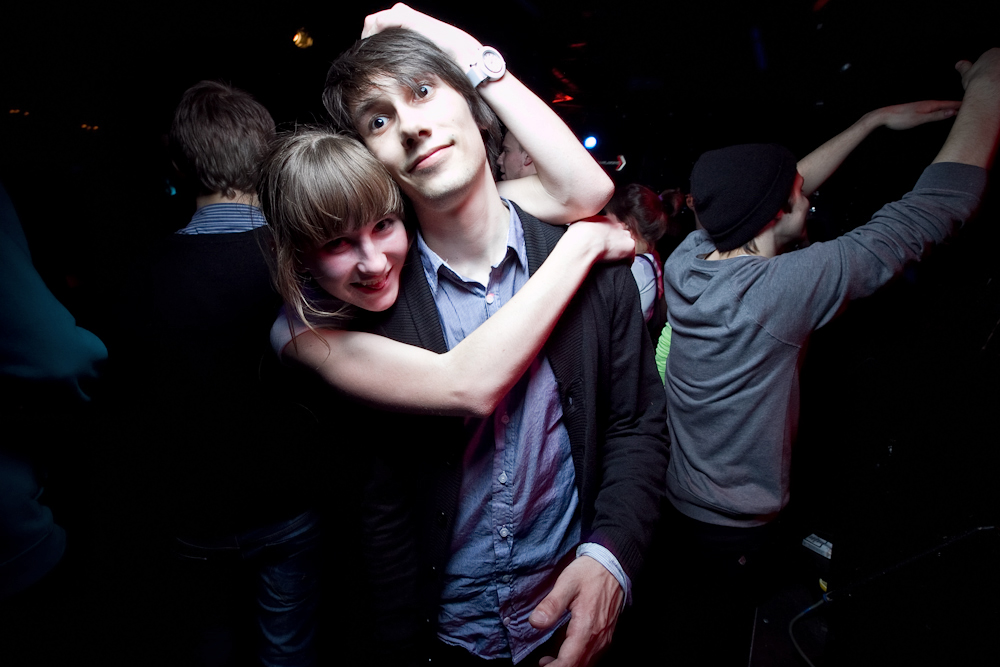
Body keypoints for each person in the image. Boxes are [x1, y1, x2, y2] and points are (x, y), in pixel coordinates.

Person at [315, 6, 670, 666]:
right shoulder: (367, 307)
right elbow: (373, 501)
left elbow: (635, 425)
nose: (410, 126)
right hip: (440, 638)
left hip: (563, 615)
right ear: (369, 158)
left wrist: (609, 557)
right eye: (378, 120)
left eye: (424, 90)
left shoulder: (593, 263)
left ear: (476, 107)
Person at [660, 50, 999, 664]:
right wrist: (988, 87)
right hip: (736, 529)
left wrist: (872, 121)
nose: (807, 193)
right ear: (776, 212)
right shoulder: (780, 290)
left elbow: (764, 194)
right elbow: (934, 209)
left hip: (680, 506)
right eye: (799, 194)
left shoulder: (687, 260)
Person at [114, 81, 321, 667]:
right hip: (286, 504)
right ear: (267, 155)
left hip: (191, 510)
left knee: (209, 648)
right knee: (287, 656)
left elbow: (131, 402)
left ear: (179, 164)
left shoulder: (140, 273)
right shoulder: (305, 260)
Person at [603, 183, 669, 345]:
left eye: (608, 218)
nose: (604, 224)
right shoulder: (650, 258)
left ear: (626, 225)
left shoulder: (636, 269)